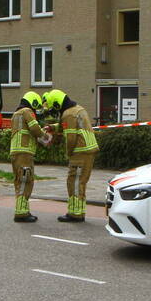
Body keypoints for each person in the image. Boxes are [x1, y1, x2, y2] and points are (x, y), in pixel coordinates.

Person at [42, 89, 98, 222]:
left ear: (56, 104)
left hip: (79, 151)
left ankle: (75, 214)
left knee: (74, 182)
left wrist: (68, 154)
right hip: (88, 150)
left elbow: (71, 138)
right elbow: (64, 126)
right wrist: (53, 127)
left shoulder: (68, 114)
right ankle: (79, 211)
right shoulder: (77, 109)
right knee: (80, 182)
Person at [9, 91, 52, 222]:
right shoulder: (27, 111)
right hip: (24, 152)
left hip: (16, 152)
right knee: (25, 181)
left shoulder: (16, 114)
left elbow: (27, 131)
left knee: (19, 180)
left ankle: (22, 210)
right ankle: (21, 213)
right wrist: (45, 136)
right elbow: (34, 129)